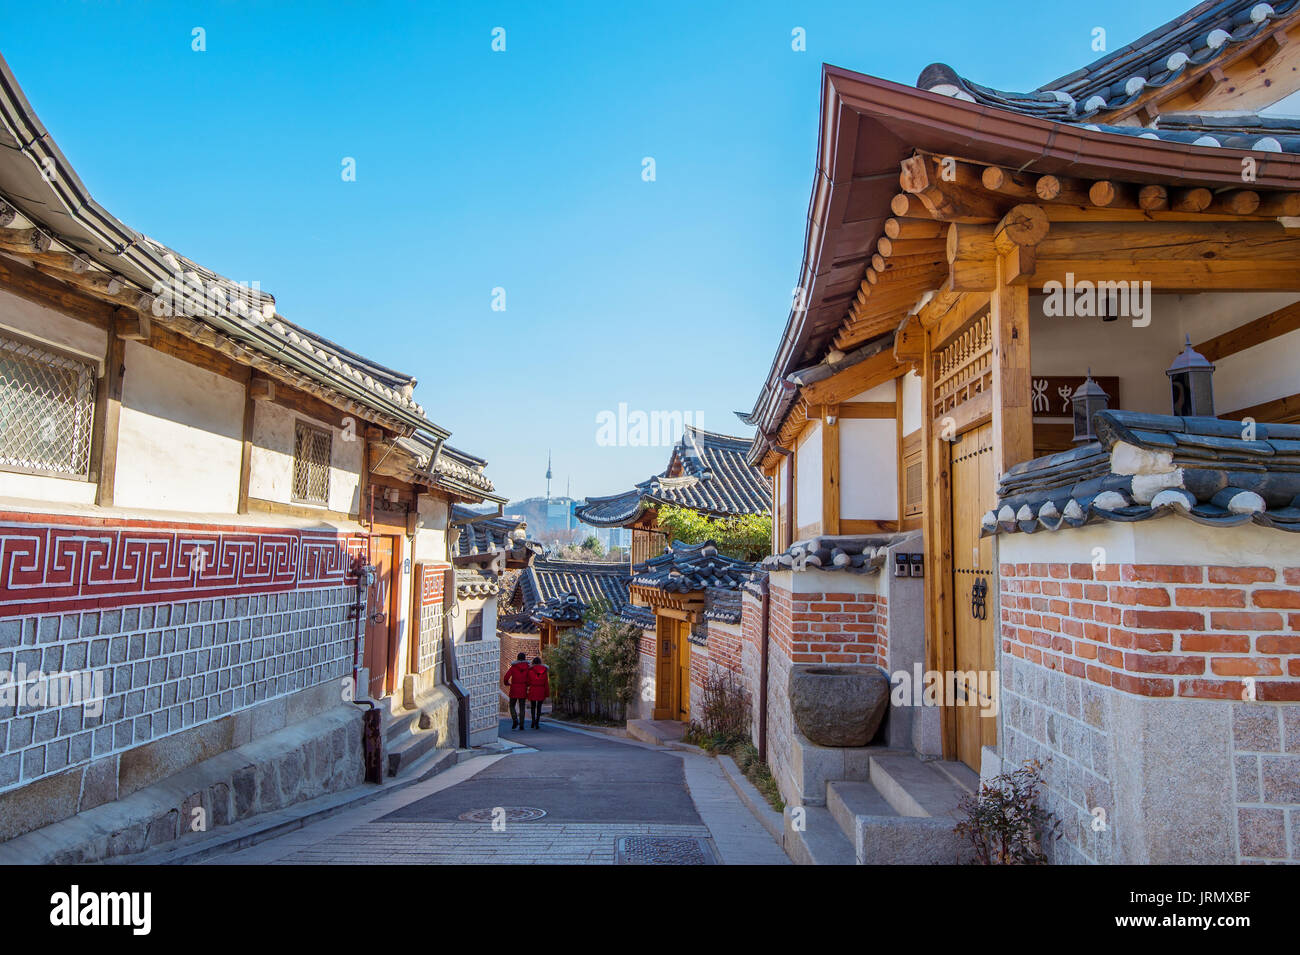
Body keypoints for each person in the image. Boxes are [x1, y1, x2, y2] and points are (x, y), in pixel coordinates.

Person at [504, 652, 531, 730]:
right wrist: (527, 685)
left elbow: (506, 677)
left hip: (514, 688)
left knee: (512, 705)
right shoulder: (528, 667)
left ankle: (515, 719)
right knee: (522, 707)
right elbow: (529, 678)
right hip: (523, 688)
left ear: (517, 658)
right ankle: (522, 724)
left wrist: (507, 683)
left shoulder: (513, 667)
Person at [526, 656, 549, 729]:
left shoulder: (530, 670)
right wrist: (547, 693)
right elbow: (546, 683)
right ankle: (537, 722)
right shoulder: (544, 670)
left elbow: (528, 682)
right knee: (539, 707)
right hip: (541, 689)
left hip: (533, 689)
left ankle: (533, 721)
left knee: (533, 706)